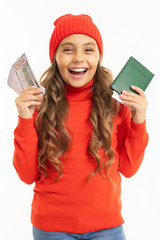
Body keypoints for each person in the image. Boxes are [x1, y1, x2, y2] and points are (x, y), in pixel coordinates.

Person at [13, 14, 149, 240]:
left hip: (108, 228)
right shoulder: (38, 109)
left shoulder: (116, 108)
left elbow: (129, 169)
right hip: (52, 229)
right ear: (55, 57)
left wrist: (139, 120)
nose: (78, 58)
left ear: (98, 57)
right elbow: (27, 175)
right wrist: (25, 119)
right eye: (68, 50)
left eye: (88, 49)